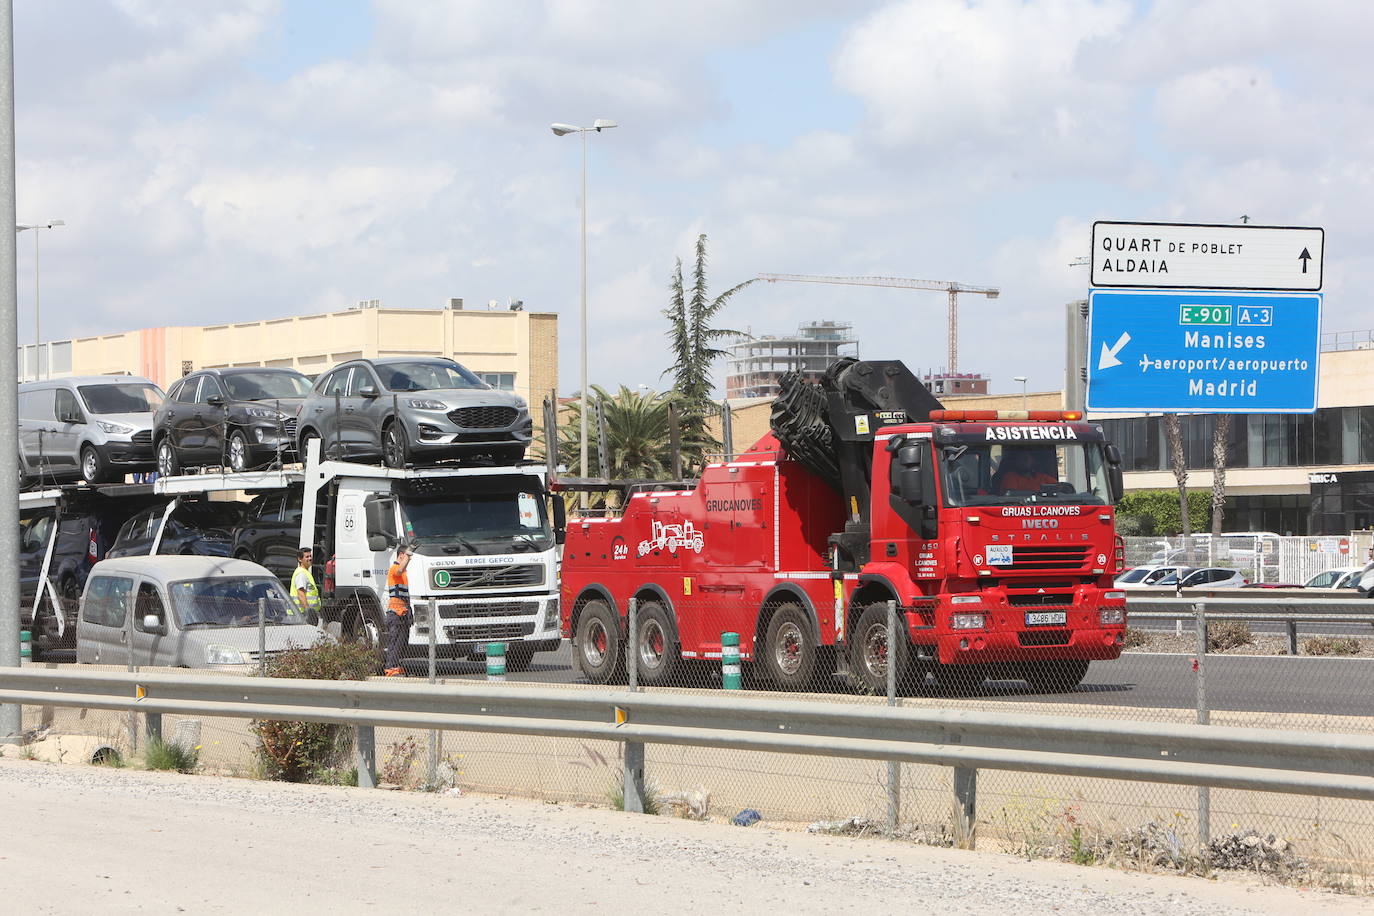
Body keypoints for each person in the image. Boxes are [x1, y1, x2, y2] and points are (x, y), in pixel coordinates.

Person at [384, 544, 414, 676]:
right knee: (394, 641)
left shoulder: (403, 572)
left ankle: (396, 666)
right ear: (401, 555)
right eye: (407, 557)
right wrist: (408, 555)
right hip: (395, 612)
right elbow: (400, 570)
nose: (409, 560)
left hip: (403, 611)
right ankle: (390, 668)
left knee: (401, 642)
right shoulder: (395, 569)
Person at [291, 547, 321, 625]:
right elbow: (301, 594)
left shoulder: (306, 572)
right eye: (307, 557)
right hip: (302, 613)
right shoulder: (301, 574)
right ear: (300, 559)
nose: (310, 558)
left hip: (306, 613)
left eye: (310, 556)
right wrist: (308, 611)